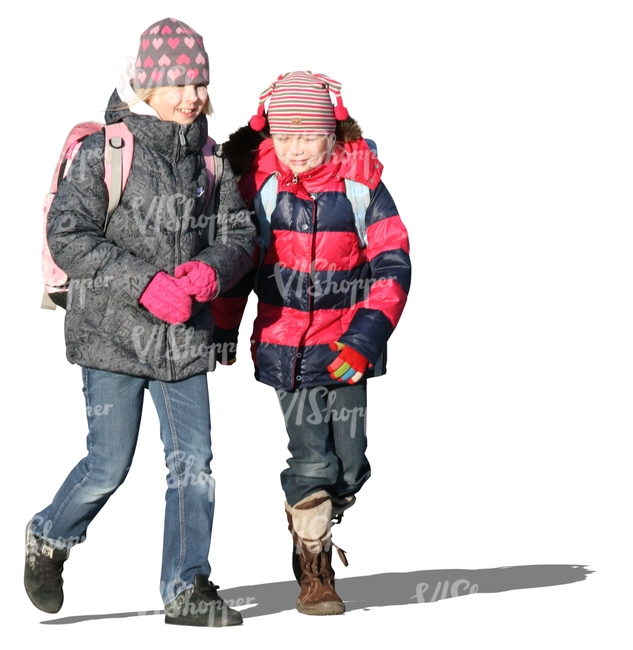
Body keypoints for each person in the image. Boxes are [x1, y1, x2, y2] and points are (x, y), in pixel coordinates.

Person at [25, 17, 256, 627]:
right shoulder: (107, 149)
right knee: (108, 465)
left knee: (194, 462)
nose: (192, 97)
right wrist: (147, 285)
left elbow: (239, 234)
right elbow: (69, 235)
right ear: (146, 86)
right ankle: (49, 536)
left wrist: (208, 275)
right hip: (110, 339)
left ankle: (186, 587)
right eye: (179, 84)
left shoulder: (210, 156)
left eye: (200, 83)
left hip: (182, 344)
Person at [217, 71, 411, 615]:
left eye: (308, 135)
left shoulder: (361, 185)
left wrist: (366, 338)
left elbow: (392, 263)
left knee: (349, 466)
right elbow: (241, 265)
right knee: (312, 460)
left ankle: (322, 511)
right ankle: (314, 567)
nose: (296, 148)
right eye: (285, 136)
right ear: (270, 136)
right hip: (287, 351)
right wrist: (224, 328)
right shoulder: (261, 185)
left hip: (348, 348)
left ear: (332, 134)